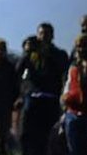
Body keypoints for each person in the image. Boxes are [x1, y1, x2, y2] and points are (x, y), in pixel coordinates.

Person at [15, 23, 69, 155]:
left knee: (48, 134)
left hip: (50, 99)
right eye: (41, 33)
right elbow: (18, 70)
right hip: (32, 98)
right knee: (26, 133)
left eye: (47, 33)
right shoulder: (31, 54)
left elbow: (63, 69)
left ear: (52, 36)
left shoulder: (59, 53)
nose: (43, 36)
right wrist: (27, 52)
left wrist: (47, 53)